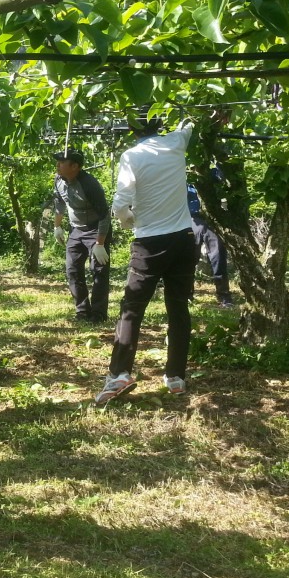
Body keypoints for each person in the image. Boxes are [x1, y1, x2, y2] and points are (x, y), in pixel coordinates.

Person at [97, 114, 196, 404]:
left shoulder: (132, 156)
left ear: (132, 130)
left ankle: (120, 374)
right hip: (183, 239)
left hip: (150, 243)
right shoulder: (176, 143)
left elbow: (120, 204)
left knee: (132, 307)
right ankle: (176, 375)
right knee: (178, 307)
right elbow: (189, 124)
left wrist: (131, 222)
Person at [52, 149, 111, 323]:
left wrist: (100, 243)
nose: (58, 165)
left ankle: (99, 314)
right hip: (76, 230)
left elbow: (104, 215)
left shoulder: (89, 185)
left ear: (75, 166)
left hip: (95, 230)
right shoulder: (59, 181)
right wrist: (57, 227)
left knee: (99, 271)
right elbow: (59, 204)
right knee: (73, 270)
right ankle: (82, 311)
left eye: (62, 162)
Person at [187, 184, 234, 308]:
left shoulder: (210, 171)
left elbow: (225, 185)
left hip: (212, 219)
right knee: (187, 259)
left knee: (218, 257)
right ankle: (187, 295)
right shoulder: (182, 173)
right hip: (190, 219)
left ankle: (224, 296)